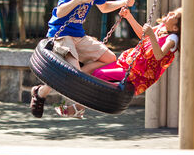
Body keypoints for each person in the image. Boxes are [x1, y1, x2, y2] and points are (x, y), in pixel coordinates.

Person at [30, 0, 135, 119]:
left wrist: (123, 2)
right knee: (73, 73)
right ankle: (72, 106)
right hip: (62, 35)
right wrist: (79, 0)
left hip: (78, 35)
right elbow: (59, 12)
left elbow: (105, 7)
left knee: (109, 58)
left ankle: (42, 91)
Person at [54, 7, 182, 116]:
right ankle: (78, 105)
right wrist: (129, 16)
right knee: (94, 69)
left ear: (175, 28)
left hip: (138, 74)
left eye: (173, 15)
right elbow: (142, 35)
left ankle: (78, 108)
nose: (169, 13)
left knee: (100, 75)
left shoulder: (172, 38)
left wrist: (152, 36)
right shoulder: (161, 27)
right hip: (129, 62)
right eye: (171, 12)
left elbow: (159, 55)